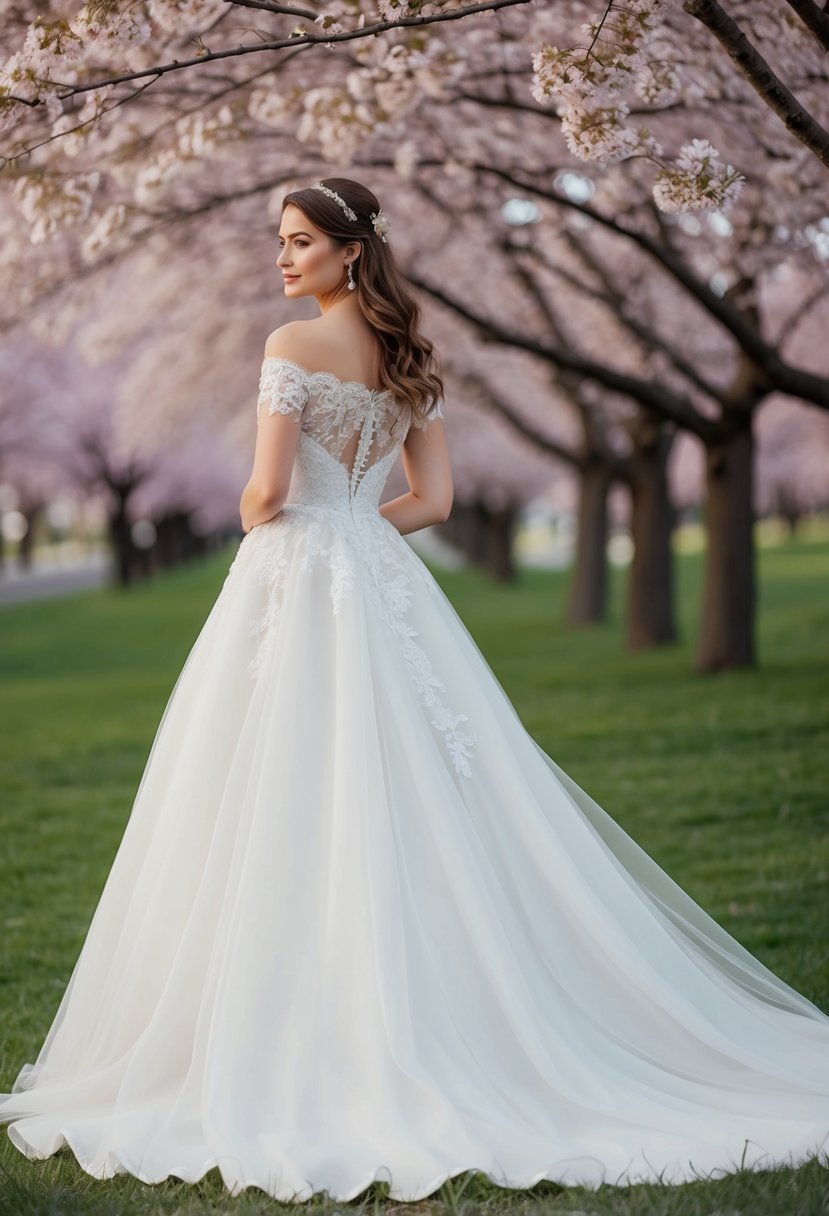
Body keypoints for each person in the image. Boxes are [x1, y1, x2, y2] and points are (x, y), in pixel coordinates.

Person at [0, 177, 827, 1205]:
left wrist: (300, 524)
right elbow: (429, 500)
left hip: (292, 575)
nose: (283, 259)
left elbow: (259, 493)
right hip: (381, 581)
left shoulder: (287, 349)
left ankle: (282, 1017)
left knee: (272, 782)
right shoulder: (412, 362)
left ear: (351, 252)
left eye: (300, 242)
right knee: (409, 778)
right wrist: (355, 535)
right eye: (279, 243)